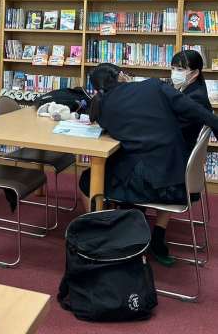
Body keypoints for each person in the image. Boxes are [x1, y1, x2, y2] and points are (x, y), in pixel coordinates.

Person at [80, 64, 218, 265]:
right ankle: (156, 235)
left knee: (88, 179)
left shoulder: (104, 107)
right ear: (122, 76)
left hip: (148, 186)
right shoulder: (154, 86)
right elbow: (195, 110)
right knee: (144, 163)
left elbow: (113, 130)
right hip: (180, 182)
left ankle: (102, 232)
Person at [171, 49, 212, 155]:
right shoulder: (184, 87)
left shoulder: (196, 98)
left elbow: (174, 127)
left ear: (195, 73)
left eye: (180, 69)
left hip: (179, 150)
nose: (174, 73)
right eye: (172, 68)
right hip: (175, 145)